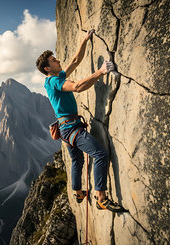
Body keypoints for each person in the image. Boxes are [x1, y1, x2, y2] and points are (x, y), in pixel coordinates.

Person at [36, 29, 124, 212]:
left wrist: (85, 40)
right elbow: (76, 87)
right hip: (71, 128)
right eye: (53, 60)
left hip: (65, 129)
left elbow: (75, 61)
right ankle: (101, 197)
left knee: (77, 161)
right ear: (47, 68)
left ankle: (78, 192)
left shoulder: (54, 78)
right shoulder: (54, 82)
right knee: (100, 154)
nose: (58, 61)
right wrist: (100, 72)